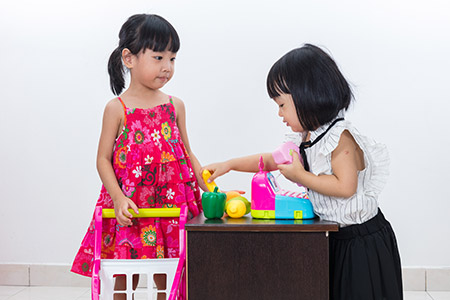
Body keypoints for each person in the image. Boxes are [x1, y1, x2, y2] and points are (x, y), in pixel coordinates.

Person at [204, 44, 402, 300]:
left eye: (282, 105)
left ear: (309, 97)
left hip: (361, 242)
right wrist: (229, 164)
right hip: (334, 236)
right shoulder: (306, 137)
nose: (279, 113)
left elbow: (346, 187)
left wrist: (301, 177)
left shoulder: (340, 138)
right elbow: (271, 160)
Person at [71, 14, 205, 299]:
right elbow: (102, 159)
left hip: (171, 205)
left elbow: (187, 155)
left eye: (172, 59)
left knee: (168, 271)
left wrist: (211, 189)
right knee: (121, 270)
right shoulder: (117, 108)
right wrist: (118, 198)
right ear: (129, 58)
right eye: (158, 57)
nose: (167, 67)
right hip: (131, 208)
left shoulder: (175, 106)